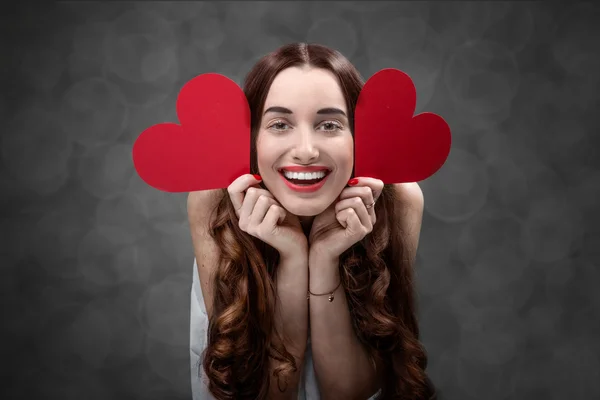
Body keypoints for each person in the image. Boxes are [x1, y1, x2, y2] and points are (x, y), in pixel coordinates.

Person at [187, 42, 436, 400]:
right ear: (252, 139)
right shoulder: (212, 201)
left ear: (359, 136)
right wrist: (291, 257)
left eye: (330, 124)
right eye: (279, 124)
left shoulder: (398, 201)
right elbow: (265, 394)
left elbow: (349, 394)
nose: (306, 150)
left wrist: (323, 260)